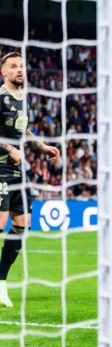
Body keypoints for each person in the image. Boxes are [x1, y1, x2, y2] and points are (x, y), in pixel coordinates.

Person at [0, 52, 60, 308]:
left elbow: (23, 130)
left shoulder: (24, 99)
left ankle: (1, 282)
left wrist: (42, 146)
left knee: (22, 225)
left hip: (18, 171)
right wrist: (9, 149)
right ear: (3, 72)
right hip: (0, 168)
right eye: (13, 66)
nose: (19, 70)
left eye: (21, 66)